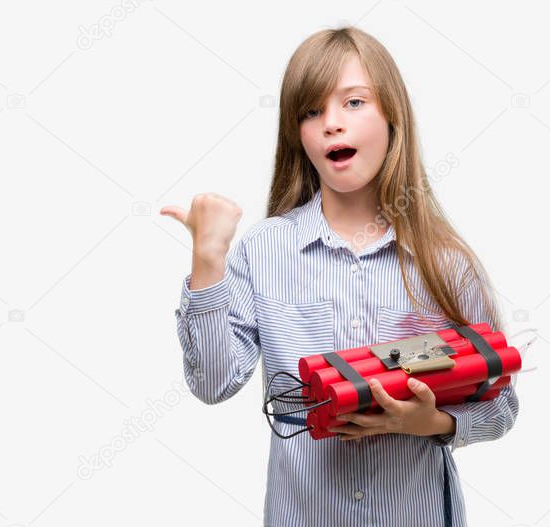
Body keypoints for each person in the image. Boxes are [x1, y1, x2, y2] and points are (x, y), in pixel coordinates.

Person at [162, 26, 518, 527]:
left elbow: (500, 405)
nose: (331, 123)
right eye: (311, 110)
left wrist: (431, 423)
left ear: (392, 115)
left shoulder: (445, 262)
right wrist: (208, 260)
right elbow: (214, 382)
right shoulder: (265, 250)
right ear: (297, 132)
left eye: (353, 103)